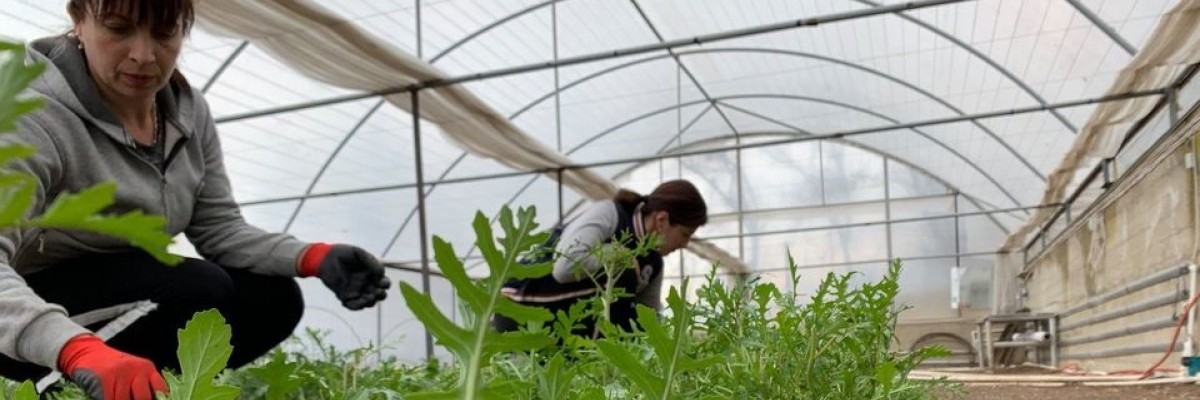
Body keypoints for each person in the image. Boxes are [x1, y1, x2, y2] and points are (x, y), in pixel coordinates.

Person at [0, 1, 392, 399]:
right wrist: (76, 349)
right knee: (197, 287)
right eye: (119, 29)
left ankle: (154, 389)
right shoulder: (30, 115)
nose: (143, 55)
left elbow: (219, 228)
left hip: (127, 292)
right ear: (79, 22)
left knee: (272, 299)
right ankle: (64, 384)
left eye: (164, 33)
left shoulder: (184, 111)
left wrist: (315, 257)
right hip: (20, 318)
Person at [493, 179, 707, 336]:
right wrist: (619, 255)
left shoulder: (653, 265)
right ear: (662, 220)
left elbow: (648, 320)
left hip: (562, 331)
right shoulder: (611, 214)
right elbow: (564, 267)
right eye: (685, 234)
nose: (684, 244)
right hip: (519, 309)